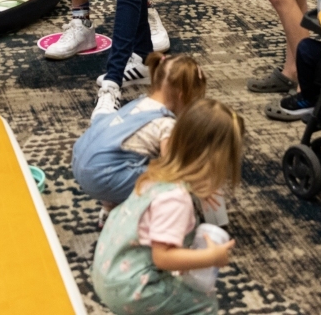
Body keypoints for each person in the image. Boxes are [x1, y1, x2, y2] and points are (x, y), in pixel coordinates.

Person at [90, 100, 243, 315]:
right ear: (214, 162)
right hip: (131, 288)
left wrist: (198, 188)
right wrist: (211, 258)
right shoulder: (176, 200)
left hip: (108, 271)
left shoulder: (156, 174)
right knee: (203, 304)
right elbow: (163, 258)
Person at [71, 53, 208, 208]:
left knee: (138, 156)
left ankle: (111, 205)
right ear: (182, 96)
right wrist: (197, 185)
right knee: (168, 179)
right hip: (103, 177)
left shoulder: (139, 102)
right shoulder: (166, 124)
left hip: (80, 158)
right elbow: (172, 167)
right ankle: (132, 214)